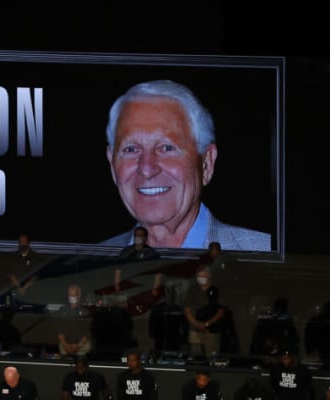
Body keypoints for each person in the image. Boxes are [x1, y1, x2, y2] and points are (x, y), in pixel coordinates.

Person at [101, 79, 271, 251]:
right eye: (131, 149)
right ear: (112, 165)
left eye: (166, 148)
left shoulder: (267, 253)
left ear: (207, 163)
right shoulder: (92, 262)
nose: (146, 169)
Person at [183, 266, 225, 356]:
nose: (200, 278)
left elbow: (221, 311)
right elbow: (187, 309)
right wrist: (196, 324)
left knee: (211, 355)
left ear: (209, 276)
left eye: (203, 276)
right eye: (199, 276)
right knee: (195, 355)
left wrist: (206, 324)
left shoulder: (217, 290)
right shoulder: (192, 290)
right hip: (194, 330)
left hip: (212, 331)